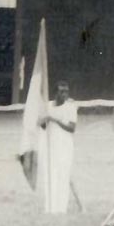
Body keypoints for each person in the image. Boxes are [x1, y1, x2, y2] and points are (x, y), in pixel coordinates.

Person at [38, 80, 77, 214]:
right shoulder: (47, 106)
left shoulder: (71, 107)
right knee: (50, 176)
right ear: (55, 92)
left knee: (63, 177)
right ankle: (50, 207)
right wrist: (45, 119)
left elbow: (72, 128)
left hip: (65, 147)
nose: (64, 94)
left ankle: (61, 209)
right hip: (49, 147)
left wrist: (55, 119)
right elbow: (41, 125)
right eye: (61, 91)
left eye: (66, 91)